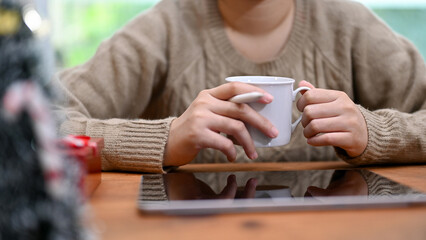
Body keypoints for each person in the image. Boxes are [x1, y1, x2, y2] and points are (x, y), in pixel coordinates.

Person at [52, 0, 426, 173]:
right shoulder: (162, 30)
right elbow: (37, 121)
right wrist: (163, 140)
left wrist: (374, 132)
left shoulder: (349, 25)